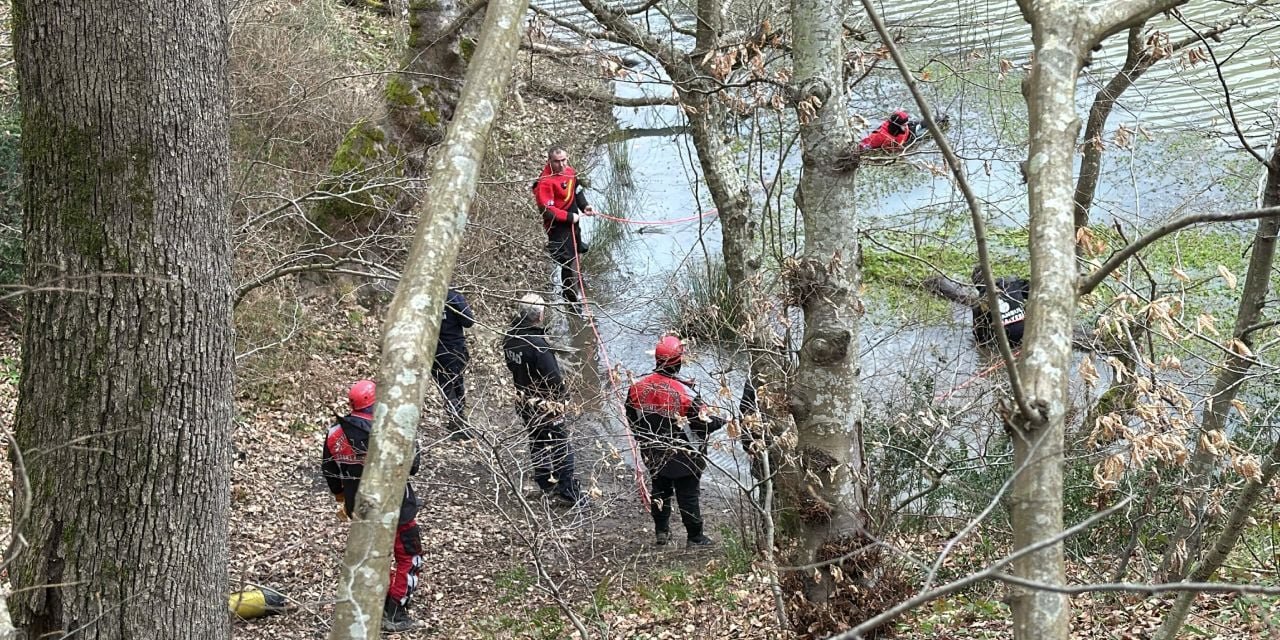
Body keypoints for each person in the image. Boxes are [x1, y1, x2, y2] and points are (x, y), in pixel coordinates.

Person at [321, 380, 423, 633]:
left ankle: (366, 605)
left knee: (372, 556)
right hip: (397, 507)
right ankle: (395, 611)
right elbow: (413, 465)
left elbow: (330, 471)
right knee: (409, 556)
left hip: (361, 508)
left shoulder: (335, 433)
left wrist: (341, 498)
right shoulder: (391, 429)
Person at [626, 336, 725, 548]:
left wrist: (644, 440)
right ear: (678, 362)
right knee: (688, 495)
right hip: (685, 456)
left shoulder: (636, 388)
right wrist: (725, 420)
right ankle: (695, 537)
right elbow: (705, 423)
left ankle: (662, 532)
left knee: (659, 491)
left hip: (653, 452)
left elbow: (632, 419)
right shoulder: (686, 394)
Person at [502, 293, 583, 506]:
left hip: (524, 400)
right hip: (545, 405)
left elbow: (512, 367)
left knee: (537, 441)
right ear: (538, 316)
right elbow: (553, 379)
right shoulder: (538, 345)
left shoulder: (510, 337)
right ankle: (567, 492)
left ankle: (546, 483)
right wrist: (564, 401)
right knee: (561, 445)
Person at [532, 146, 595, 304]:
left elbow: (577, 191)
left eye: (563, 160)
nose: (561, 165)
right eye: (557, 161)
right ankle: (570, 298)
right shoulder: (545, 182)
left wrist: (585, 206)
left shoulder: (570, 172)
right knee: (567, 260)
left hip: (573, 219)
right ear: (549, 161)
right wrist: (568, 217)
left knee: (577, 249)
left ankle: (577, 280)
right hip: (557, 226)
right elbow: (548, 210)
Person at [433, 287, 475, 441]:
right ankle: (458, 424)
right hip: (454, 349)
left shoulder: (424, 296)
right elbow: (468, 321)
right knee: (456, 385)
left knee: (447, 387)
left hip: (434, 351)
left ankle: (457, 421)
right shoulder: (452, 296)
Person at [971, 266, 1030, 348]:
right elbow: (1034, 291)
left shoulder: (978, 304)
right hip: (1028, 333)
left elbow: (980, 337)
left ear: (977, 286)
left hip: (1008, 342)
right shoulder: (1013, 283)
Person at [859, 110, 927, 151]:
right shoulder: (879, 136)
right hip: (902, 142)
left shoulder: (905, 128)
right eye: (904, 125)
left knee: (925, 125)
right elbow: (865, 145)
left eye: (906, 124)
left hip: (908, 135)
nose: (905, 126)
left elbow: (906, 127)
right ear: (897, 125)